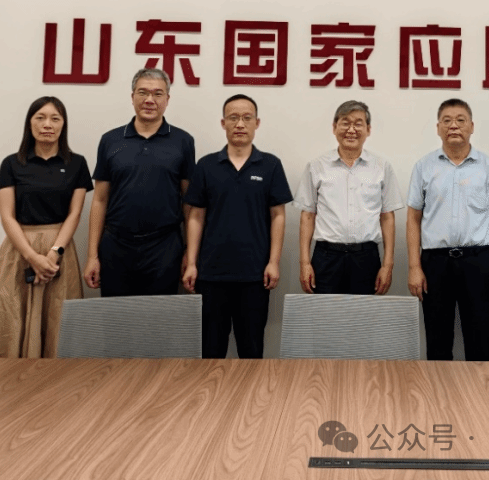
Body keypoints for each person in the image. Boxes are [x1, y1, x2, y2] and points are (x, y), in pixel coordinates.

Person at [0, 96, 91, 357]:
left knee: (59, 321)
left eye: (55, 118)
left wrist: (54, 253)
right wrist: (32, 257)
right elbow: (7, 216)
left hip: (59, 251)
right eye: (40, 117)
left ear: (63, 125)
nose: (47, 124)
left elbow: (75, 214)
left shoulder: (76, 164)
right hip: (19, 250)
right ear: (30, 123)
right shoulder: (12, 164)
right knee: (9, 318)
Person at [182, 94, 292, 358]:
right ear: (223, 123)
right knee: (211, 350)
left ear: (257, 123)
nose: (240, 124)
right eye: (233, 118)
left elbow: (278, 216)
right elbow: (196, 217)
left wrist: (273, 262)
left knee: (251, 349)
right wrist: (192, 263)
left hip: (255, 275)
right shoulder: (207, 165)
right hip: (211, 274)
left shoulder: (270, 165)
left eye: (246, 118)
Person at [406, 98, 489, 361]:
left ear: (472, 126)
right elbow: (413, 218)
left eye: (460, 120)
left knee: (481, 338)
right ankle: (438, 388)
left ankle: (482, 388)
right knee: (437, 339)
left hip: (478, 261)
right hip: (435, 263)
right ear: (438, 128)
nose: (454, 125)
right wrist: (414, 267)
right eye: (447, 120)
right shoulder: (424, 167)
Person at [83, 68, 195, 296]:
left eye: (157, 94)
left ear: (167, 99)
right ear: (132, 96)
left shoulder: (183, 141)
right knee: (117, 313)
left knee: (159, 314)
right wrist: (92, 256)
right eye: (143, 92)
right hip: (116, 245)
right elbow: (100, 200)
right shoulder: (111, 140)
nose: (149, 100)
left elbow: (189, 204)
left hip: (164, 247)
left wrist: (190, 254)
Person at [293, 100, 404, 296]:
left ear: (368, 129)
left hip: (366, 257)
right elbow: (308, 216)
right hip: (326, 257)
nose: (351, 130)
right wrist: (304, 263)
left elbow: (387, 217)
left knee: (362, 314)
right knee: (326, 313)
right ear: (334, 127)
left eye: (358, 123)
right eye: (345, 123)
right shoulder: (317, 166)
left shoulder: (381, 167)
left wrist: (388, 265)